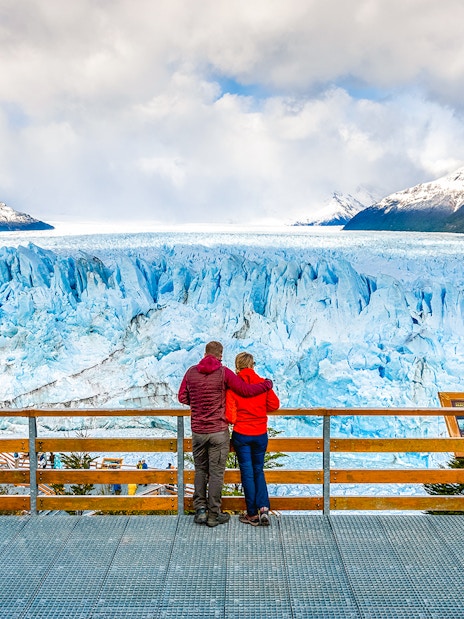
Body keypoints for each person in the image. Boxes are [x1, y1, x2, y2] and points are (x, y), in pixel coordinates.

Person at [178, 340, 273, 528]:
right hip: (218, 432)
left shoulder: (191, 372)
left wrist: (198, 405)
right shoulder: (223, 373)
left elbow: (182, 397)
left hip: (198, 431)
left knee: (200, 470)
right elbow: (245, 390)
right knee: (216, 474)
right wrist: (266, 385)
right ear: (220, 355)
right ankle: (214, 514)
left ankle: (201, 511)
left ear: (205, 354)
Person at [226, 352, 280, 526]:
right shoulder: (263, 384)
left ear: (238, 365)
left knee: (247, 474)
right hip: (260, 434)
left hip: (242, 434)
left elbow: (230, 416)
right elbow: (274, 405)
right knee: (259, 470)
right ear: (252, 365)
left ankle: (251, 513)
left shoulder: (234, 386)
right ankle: (264, 508)